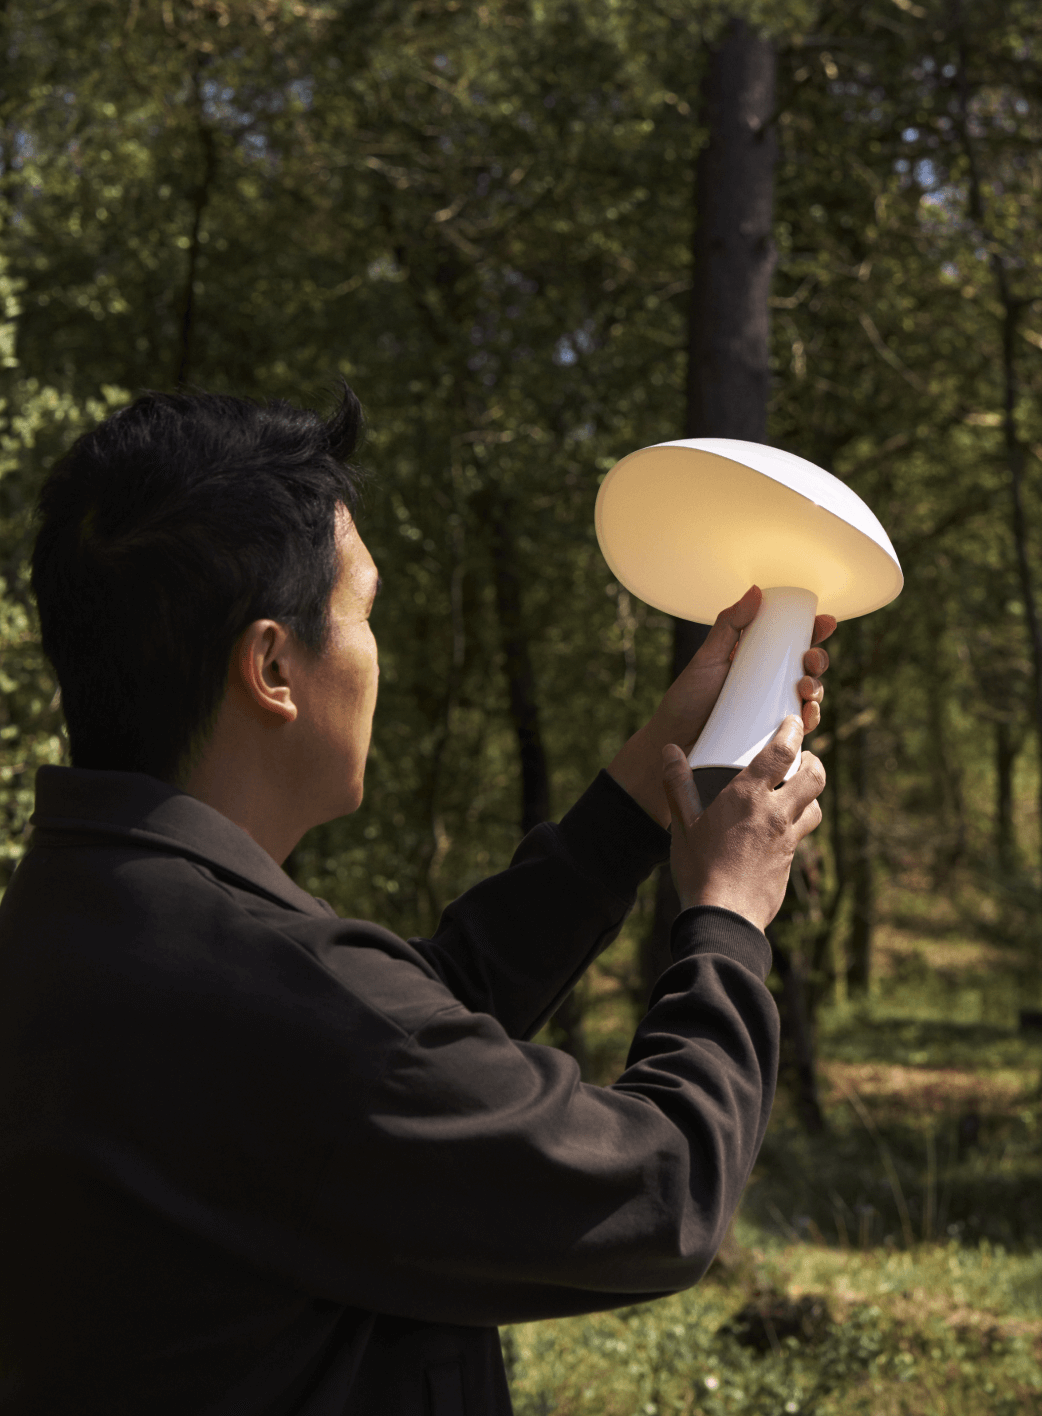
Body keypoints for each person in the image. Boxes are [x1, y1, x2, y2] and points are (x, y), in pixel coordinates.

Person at [0, 386, 832, 1415]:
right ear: (272, 665)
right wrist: (727, 918)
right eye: (363, 610)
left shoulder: (82, 916)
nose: (373, 649)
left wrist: (630, 805)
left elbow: (413, 1021)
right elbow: (664, 1192)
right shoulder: (285, 1006)